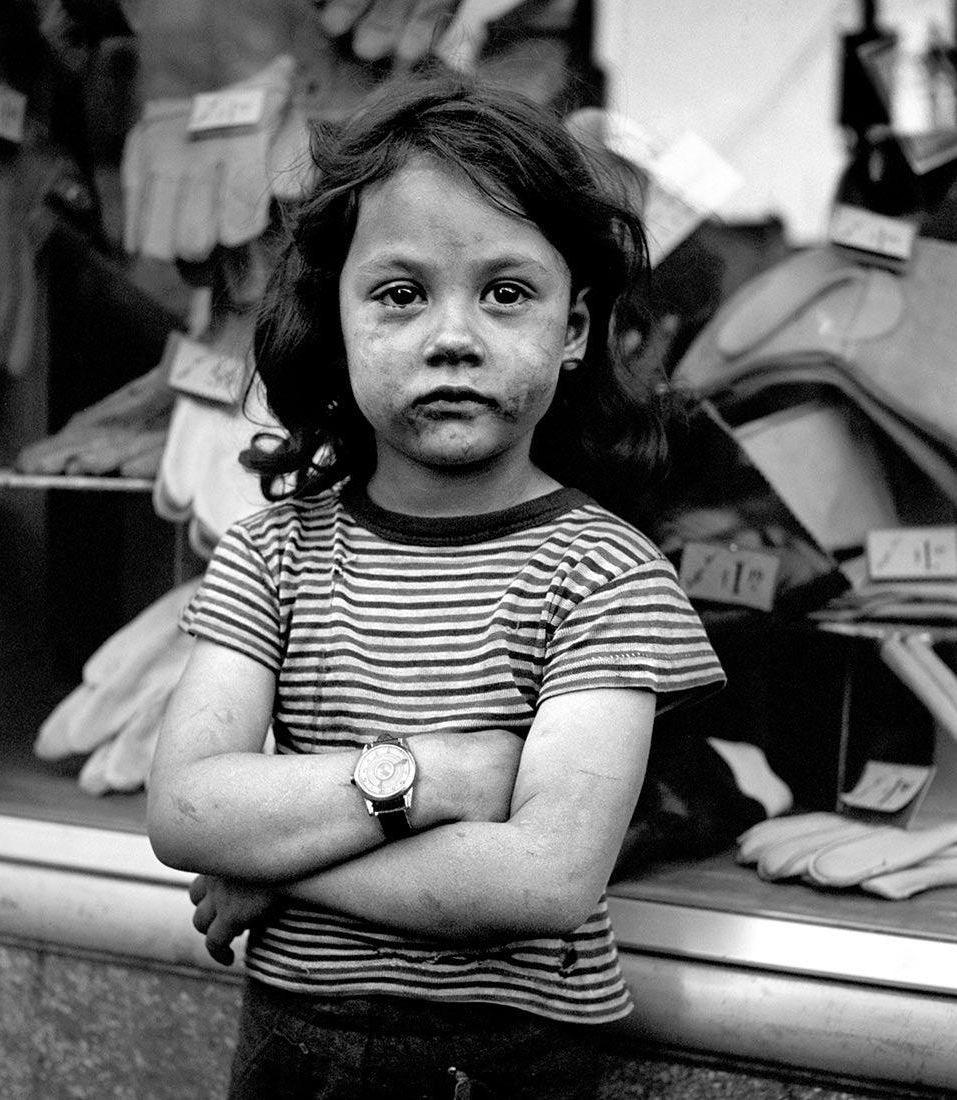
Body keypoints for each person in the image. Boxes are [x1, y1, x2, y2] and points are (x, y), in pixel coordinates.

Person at [146, 72, 725, 1100]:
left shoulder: (605, 574)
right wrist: (436, 773)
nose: (451, 335)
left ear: (576, 327)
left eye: (505, 291)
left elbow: (543, 878)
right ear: (336, 315)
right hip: (287, 1044)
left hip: (499, 1064)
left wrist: (272, 859)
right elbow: (187, 808)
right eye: (399, 292)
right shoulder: (270, 554)